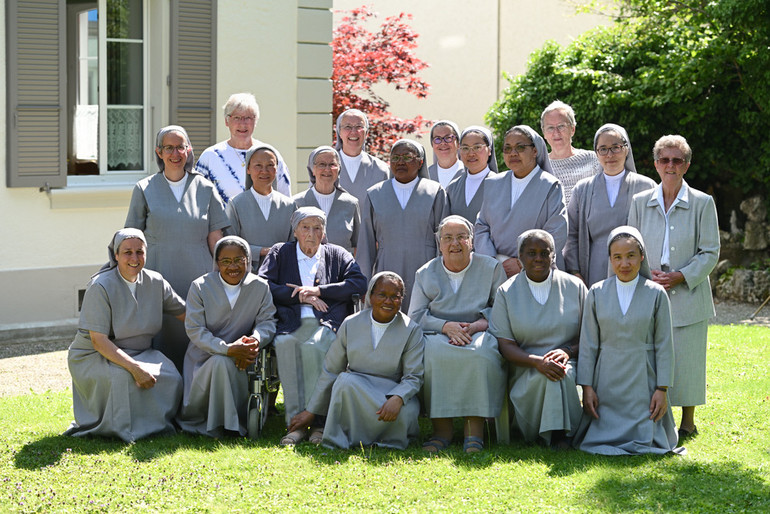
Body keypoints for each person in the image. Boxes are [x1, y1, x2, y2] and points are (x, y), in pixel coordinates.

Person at [628, 135, 720, 442]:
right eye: (664, 160)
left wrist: (681, 275)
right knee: (652, 354)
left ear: (687, 165)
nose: (671, 165)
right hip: (651, 290)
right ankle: (654, 415)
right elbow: (630, 245)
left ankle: (688, 422)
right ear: (655, 164)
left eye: (677, 160)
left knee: (689, 357)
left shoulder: (703, 203)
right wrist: (644, 276)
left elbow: (710, 251)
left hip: (689, 291)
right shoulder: (640, 202)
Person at [259, 207, 368, 445]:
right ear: (295, 230)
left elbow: (359, 283)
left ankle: (320, 423)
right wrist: (298, 296)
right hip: (290, 322)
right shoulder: (280, 252)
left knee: (315, 347)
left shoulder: (337, 254)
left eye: (317, 228)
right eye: (305, 227)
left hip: (327, 322)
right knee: (285, 344)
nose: (311, 233)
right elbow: (262, 284)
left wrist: (319, 290)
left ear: (324, 231)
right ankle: (295, 424)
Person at [125, 125, 229, 371]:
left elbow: (216, 237)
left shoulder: (205, 187)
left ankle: (196, 395)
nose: (175, 153)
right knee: (161, 337)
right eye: (169, 148)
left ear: (188, 150)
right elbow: (133, 240)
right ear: (158, 152)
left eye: (180, 147)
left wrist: (221, 277)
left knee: (196, 333)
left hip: (198, 276)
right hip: (158, 275)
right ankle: (162, 395)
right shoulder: (144, 188)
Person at [65, 229, 185, 442]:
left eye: (140, 252)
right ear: (116, 255)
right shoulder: (100, 286)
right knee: (123, 377)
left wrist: (218, 334)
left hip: (141, 351)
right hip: (96, 355)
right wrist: (135, 368)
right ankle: (120, 430)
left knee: (171, 376)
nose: (134, 258)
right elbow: (98, 340)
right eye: (127, 252)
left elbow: (185, 313)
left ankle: (156, 426)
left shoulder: (155, 281)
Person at [288, 272, 425, 450]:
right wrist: (311, 411)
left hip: (390, 394)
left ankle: (378, 437)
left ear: (401, 299)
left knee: (407, 412)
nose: (388, 301)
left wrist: (398, 398)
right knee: (345, 382)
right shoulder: (350, 323)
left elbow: (414, 376)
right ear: (370, 296)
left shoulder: (412, 330)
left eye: (395, 297)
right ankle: (348, 438)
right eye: (382, 295)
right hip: (357, 391)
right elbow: (331, 370)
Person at [572, 226, 678, 455]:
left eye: (631, 256)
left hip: (644, 383)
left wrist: (662, 389)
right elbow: (588, 344)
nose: (624, 264)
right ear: (609, 259)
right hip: (607, 382)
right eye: (617, 257)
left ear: (642, 257)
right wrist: (587, 387)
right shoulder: (596, 293)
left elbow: (664, 345)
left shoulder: (656, 294)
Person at [408, 215, 507, 453]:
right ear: (439, 244)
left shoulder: (492, 268)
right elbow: (415, 316)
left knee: (481, 354)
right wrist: (445, 326)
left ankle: (474, 431)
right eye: (448, 238)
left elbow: (503, 311)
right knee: (432, 355)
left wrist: (475, 326)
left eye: (461, 237)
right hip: (438, 333)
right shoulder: (425, 273)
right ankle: (442, 430)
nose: (455, 243)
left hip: (479, 330)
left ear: (471, 241)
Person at [489, 229, 587, 448]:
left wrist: (567, 352)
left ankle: (558, 435)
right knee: (547, 375)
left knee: (562, 373)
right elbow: (505, 344)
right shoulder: (506, 292)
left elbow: (591, 335)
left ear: (554, 255)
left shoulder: (575, 286)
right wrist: (537, 362)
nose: (538, 258)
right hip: (526, 366)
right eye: (531, 253)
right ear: (520, 257)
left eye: (545, 253)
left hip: (570, 362)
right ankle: (553, 435)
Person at [176, 236, 276, 437]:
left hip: (245, 357)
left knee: (224, 362)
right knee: (220, 362)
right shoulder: (200, 286)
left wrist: (254, 341)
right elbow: (195, 330)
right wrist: (227, 349)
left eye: (239, 260)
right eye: (226, 261)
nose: (233, 267)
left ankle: (234, 420)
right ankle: (223, 425)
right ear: (217, 262)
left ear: (248, 260)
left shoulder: (260, 286)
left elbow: (267, 322)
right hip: (203, 357)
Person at [357, 139, 449, 309]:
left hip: (426, 270)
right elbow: (366, 244)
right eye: (395, 157)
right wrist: (364, 282)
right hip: (386, 268)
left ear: (420, 161)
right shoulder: (375, 194)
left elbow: (444, 240)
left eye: (407, 157)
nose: (400, 162)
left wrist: (442, 279)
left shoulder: (435, 192)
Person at [563, 123, 656, 287]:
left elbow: (656, 233)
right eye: (603, 149)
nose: (609, 154)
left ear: (626, 149)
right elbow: (571, 234)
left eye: (616, 147)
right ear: (597, 153)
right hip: (593, 272)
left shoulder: (646, 187)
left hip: (635, 271)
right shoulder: (582, 189)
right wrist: (574, 271)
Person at [475, 125, 567, 277]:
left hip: (537, 270)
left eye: (520, 147)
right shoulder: (493, 183)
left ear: (535, 150)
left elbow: (556, 232)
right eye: (508, 148)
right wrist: (492, 260)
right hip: (496, 270)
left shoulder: (550, 186)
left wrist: (521, 262)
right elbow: (481, 225)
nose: (513, 153)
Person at [195, 92, 291, 203]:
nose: (242, 124)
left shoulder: (270, 155)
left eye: (248, 118)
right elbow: (197, 200)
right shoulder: (211, 156)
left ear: (256, 121)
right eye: (236, 118)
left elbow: (285, 200)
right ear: (227, 121)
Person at [226, 143, 297, 271]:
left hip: (282, 274)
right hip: (246, 275)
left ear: (277, 168)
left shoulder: (289, 205)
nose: (264, 171)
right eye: (258, 165)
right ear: (248, 169)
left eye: (270, 165)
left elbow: (295, 244)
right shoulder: (236, 204)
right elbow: (230, 244)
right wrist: (262, 251)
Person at [293, 145, 361, 253]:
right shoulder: (297, 203)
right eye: (322, 164)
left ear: (339, 169)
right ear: (312, 170)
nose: (327, 169)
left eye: (332, 164)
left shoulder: (351, 204)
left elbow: (359, 244)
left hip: (342, 267)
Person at [540, 100, 600, 204]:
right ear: (544, 133)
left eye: (561, 126)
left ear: (572, 129)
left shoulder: (593, 160)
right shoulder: (539, 167)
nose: (556, 133)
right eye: (550, 128)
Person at [334, 109, 390, 207]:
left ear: (366, 132)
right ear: (339, 132)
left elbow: (387, 209)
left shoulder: (381, 170)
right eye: (348, 127)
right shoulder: (325, 167)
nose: (354, 132)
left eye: (359, 126)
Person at [445, 126, 498, 224]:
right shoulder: (452, 188)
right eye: (465, 148)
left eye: (477, 147)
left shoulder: (500, 185)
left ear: (489, 150)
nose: (471, 153)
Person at [427, 120, 464, 188]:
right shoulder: (426, 176)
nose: (443, 143)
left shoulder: (468, 173)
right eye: (437, 139)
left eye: (448, 138)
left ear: (458, 143)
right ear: (432, 144)